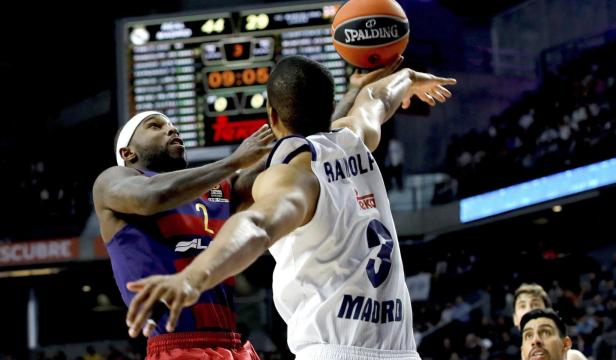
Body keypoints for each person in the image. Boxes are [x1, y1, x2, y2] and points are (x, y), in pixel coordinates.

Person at [124, 55, 456, 359]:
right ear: (330, 106)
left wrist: (192, 277)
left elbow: (257, 226)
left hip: (331, 351)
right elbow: (377, 98)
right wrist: (409, 78)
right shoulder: (355, 136)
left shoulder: (291, 174)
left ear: (272, 115)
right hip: (401, 351)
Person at [92, 110, 275, 359]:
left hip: (233, 345)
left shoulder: (216, 188)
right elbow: (152, 197)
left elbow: (290, 154)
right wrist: (233, 162)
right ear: (128, 153)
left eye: (172, 125)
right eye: (155, 126)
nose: (172, 130)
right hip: (176, 346)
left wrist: (344, 107)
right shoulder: (113, 180)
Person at [513, 283, 587, 360]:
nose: (529, 309)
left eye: (535, 304)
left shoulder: (571, 356)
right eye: (522, 306)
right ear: (515, 318)